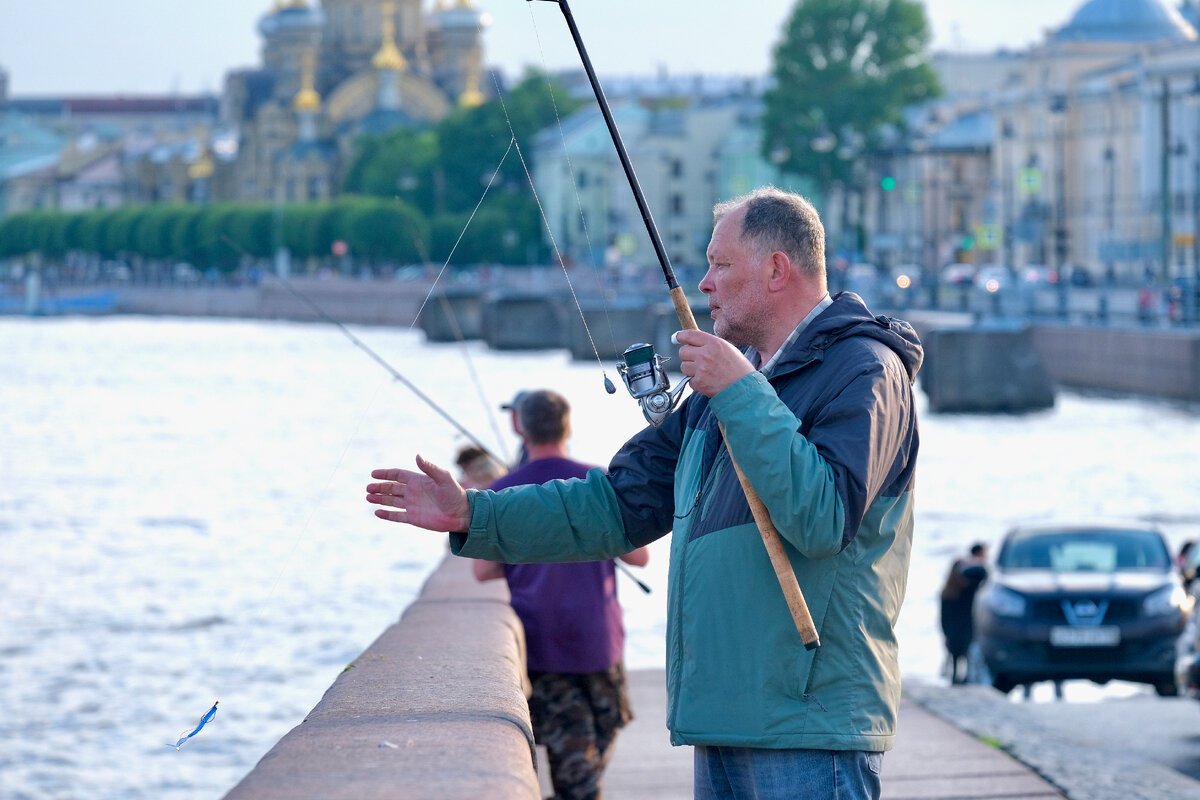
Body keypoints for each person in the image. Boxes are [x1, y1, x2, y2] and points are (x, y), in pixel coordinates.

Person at [367, 187, 923, 800]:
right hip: (727, 722)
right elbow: (613, 507)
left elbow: (822, 518)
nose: (704, 283)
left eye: (721, 264)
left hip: (810, 732)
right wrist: (474, 514)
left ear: (775, 269)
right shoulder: (733, 384)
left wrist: (739, 392)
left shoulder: (865, 369)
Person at [471, 389, 650, 800]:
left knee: (573, 766)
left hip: (543, 645)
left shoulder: (502, 491)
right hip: (599, 641)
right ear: (568, 426)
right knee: (593, 751)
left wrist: (526, 544)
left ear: (520, 427)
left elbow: (481, 570)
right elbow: (639, 556)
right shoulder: (597, 482)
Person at [939, 542, 989, 685]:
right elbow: (984, 575)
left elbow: (943, 617)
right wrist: (979, 562)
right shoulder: (967, 591)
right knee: (966, 664)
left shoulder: (948, 592)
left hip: (953, 633)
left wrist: (946, 635)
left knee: (956, 665)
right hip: (966, 631)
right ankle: (961, 683)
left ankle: (955, 682)